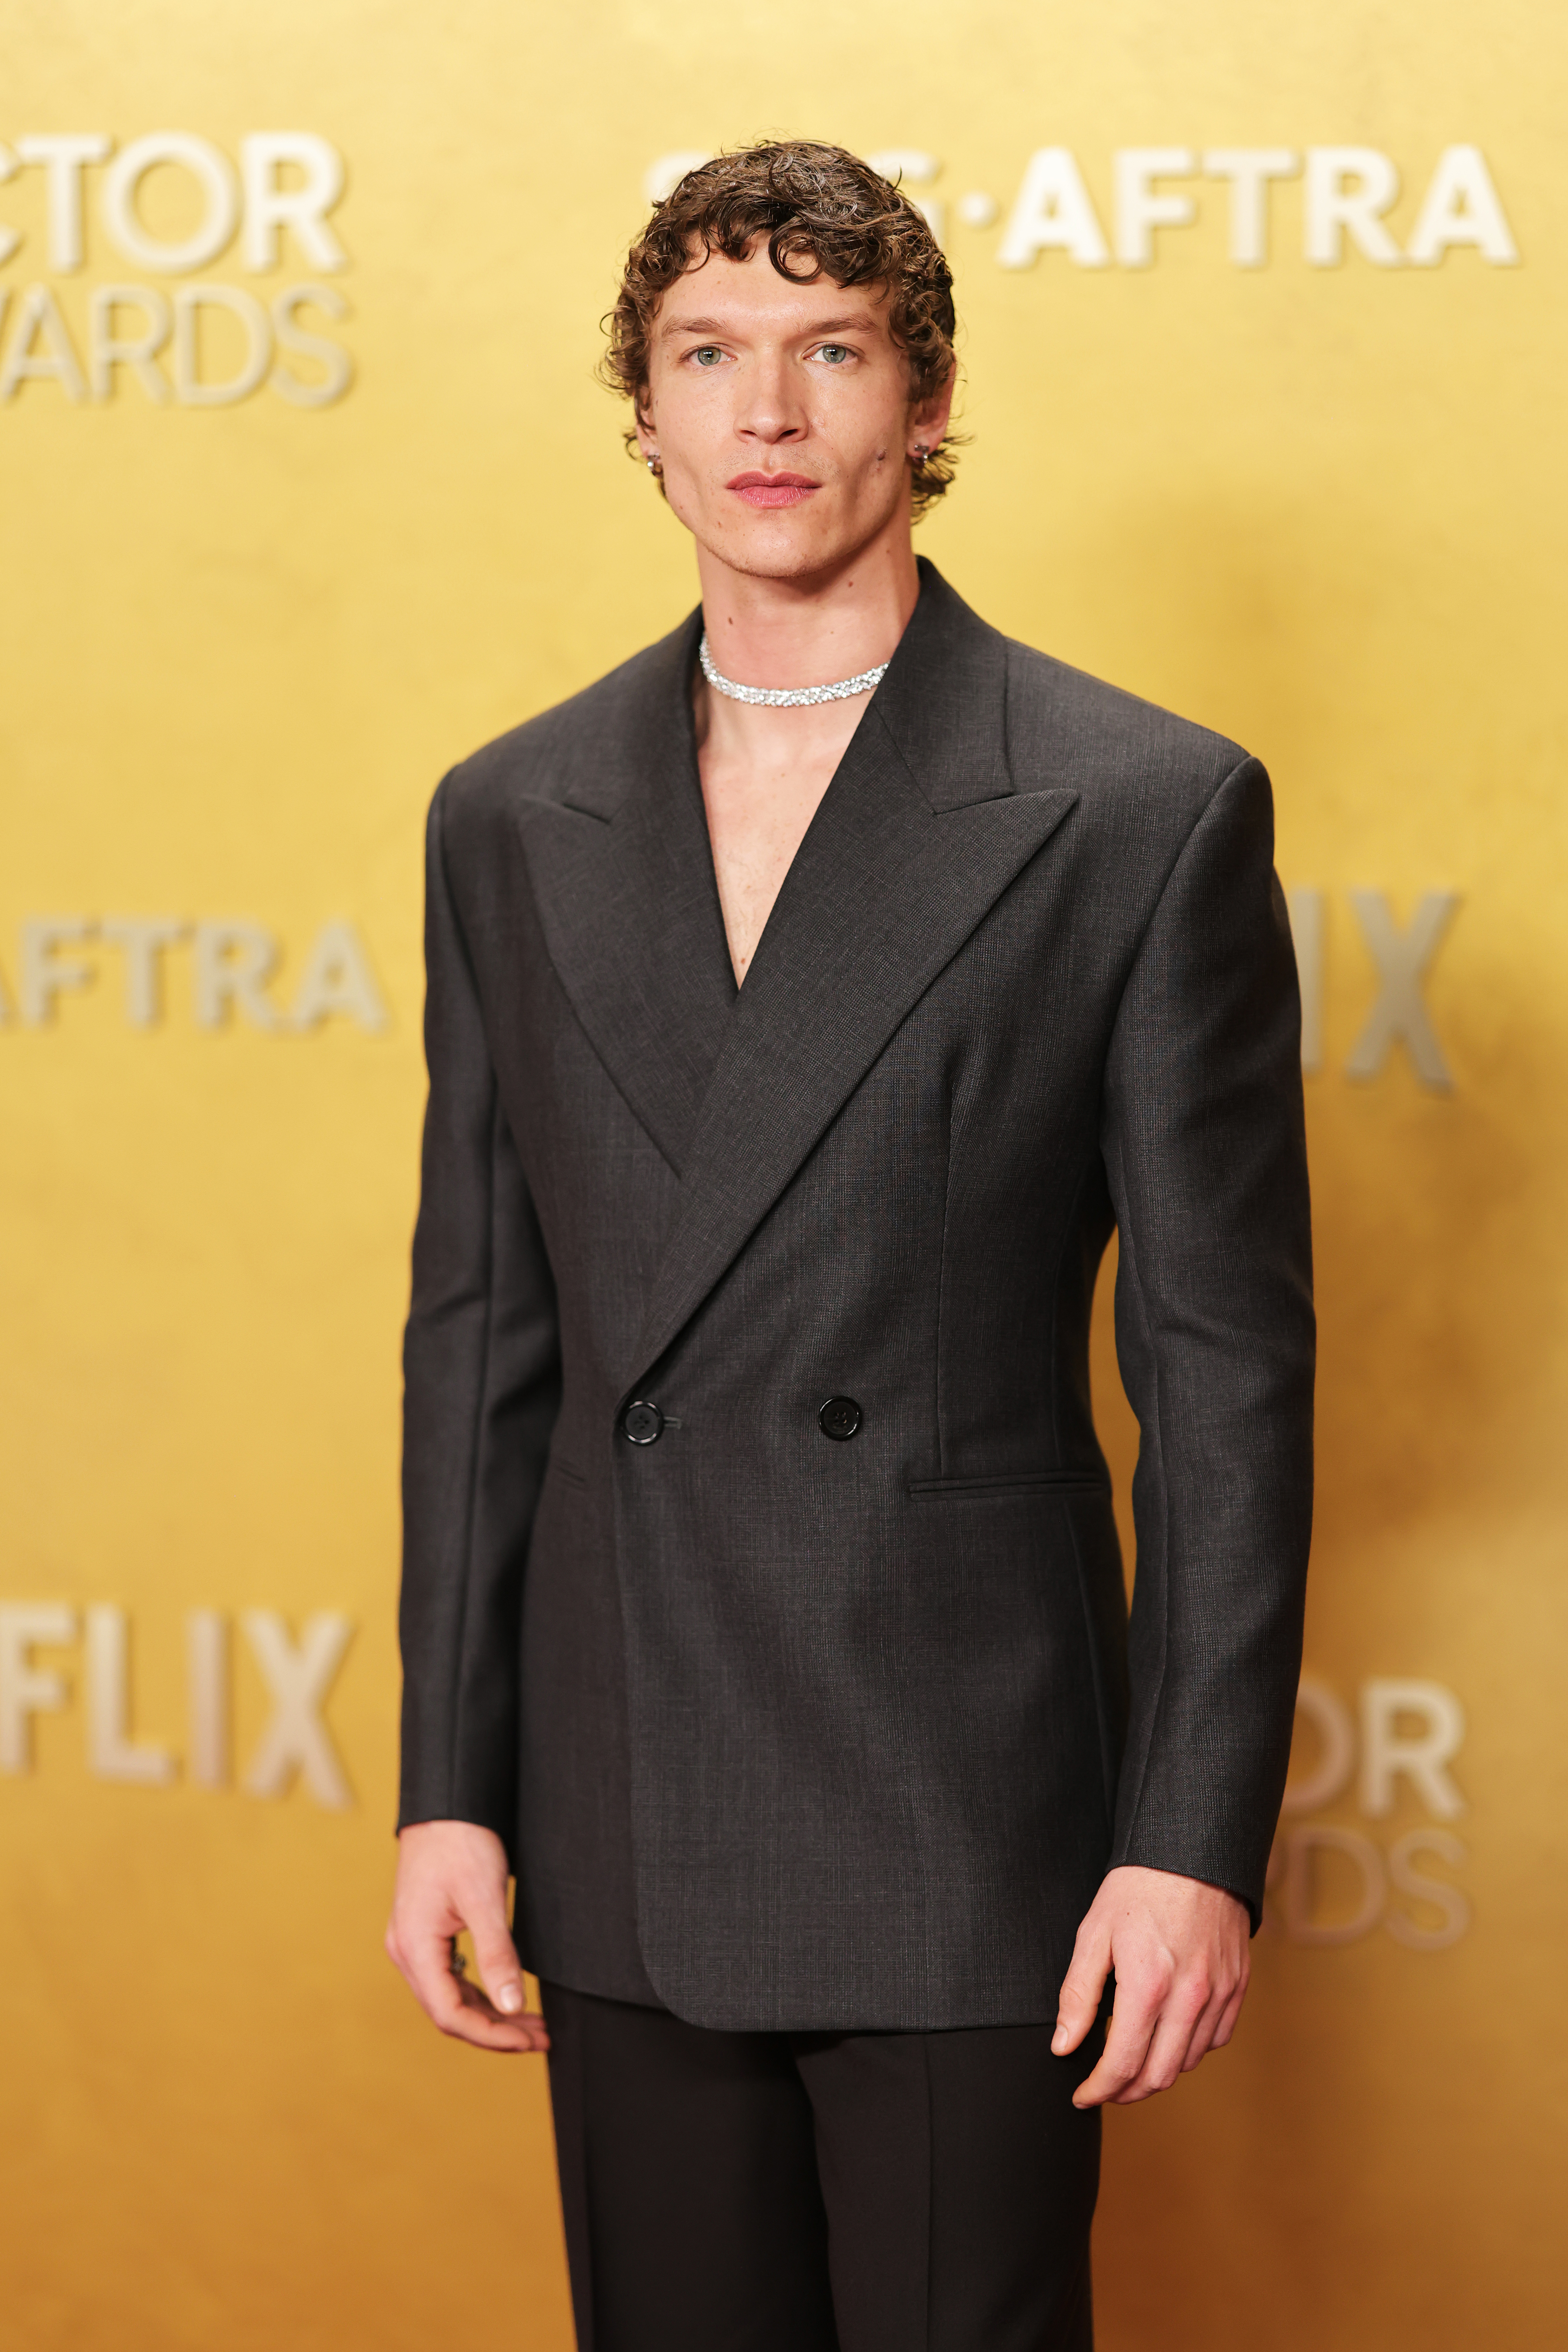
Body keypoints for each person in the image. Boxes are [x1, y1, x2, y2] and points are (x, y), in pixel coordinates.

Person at [385, 140, 1313, 2352]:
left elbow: (1223, 1379)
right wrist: (448, 1786)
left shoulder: (1137, 805)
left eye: (833, 350)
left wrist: (1190, 1837)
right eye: (711, 355)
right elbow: (484, 1339)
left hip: (966, 1812)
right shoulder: (511, 812)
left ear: (929, 397)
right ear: (645, 412)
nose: (770, 412)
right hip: (626, 1793)